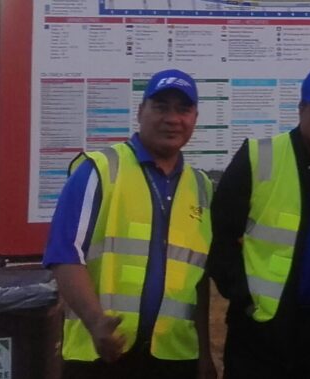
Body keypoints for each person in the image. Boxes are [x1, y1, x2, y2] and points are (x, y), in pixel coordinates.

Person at [43, 69, 216, 379]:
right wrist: (96, 322)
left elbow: (198, 281)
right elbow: (64, 254)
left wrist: (204, 353)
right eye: (161, 107)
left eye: (183, 109)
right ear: (140, 111)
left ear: (195, 117)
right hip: (103, 354)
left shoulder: (202, 187)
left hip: (174, 357)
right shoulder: (99, 170)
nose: (172, 118)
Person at [208, 66, 310, 378]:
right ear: (301, 109)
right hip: (263, 335)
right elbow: (219, 235)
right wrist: (244, 297)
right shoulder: (259, 157)